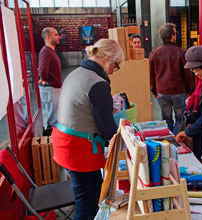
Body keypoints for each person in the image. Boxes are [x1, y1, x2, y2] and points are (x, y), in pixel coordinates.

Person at [52, 39, 123, 220]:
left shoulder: (77, 73)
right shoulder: (97, 82)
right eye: (116, 65)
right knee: (87, 201)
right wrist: (125, 139)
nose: (115, 70)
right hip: (79, 150)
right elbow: (107, 129)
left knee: (90, 191)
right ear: (107, 59)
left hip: (65, 143)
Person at [149, 23, 194, 134]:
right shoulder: (181, 53)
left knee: (166, 118)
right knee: (180, 118)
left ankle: (169, 138)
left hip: (162, 91)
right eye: (175, 33)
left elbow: (151, 75)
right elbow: (187, 74)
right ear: (172, 36)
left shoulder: (154, 53)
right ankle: (176, 138)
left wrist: (154, 90)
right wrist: (190, 90)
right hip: (178, 91)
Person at [38, 27, 62, 135]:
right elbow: (43, 71)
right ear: (48, 37)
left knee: (54, 116)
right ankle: (49, 139)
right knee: (51, 118)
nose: (58, 37)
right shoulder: (46, 52)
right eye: (55, 34)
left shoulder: (50, 51)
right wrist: (44, 80)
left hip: (53, 89)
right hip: (50, 89)